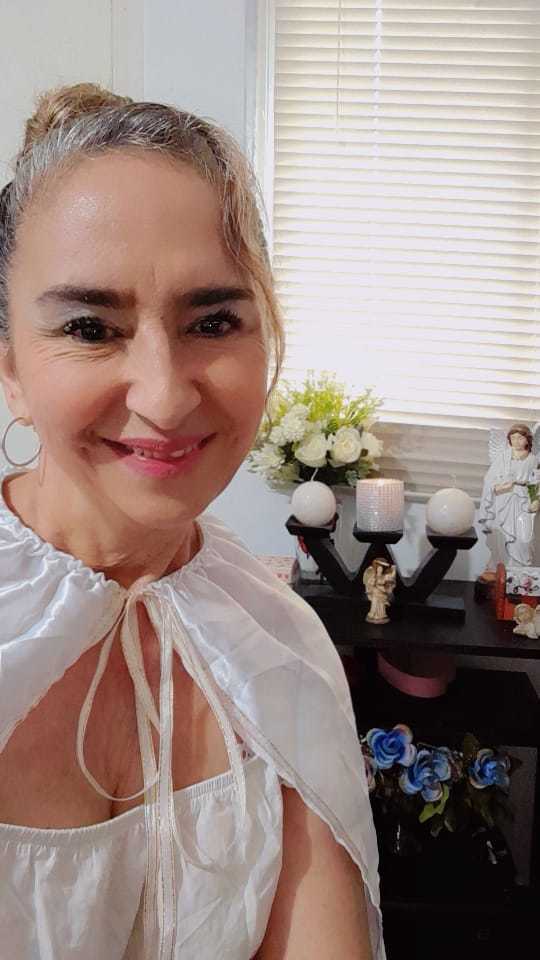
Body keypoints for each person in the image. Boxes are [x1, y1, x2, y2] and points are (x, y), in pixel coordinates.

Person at [0, 84, 383, 959]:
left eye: (213, 320)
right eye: (91, 327)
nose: (166, 396)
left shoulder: (276, 645)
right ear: (11, 370)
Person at [478, 423, 539, 578]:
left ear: (527, 440)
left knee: (525, 539)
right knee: (502, 537)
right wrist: (500, 487)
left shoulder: (533, 460)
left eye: (520, 438)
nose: (516, 441)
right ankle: (501, 572)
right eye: (513, 438)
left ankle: (521, 574)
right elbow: (490, 480)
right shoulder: (503, 458)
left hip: (524, 502)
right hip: (503, 502)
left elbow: (535, 483)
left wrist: (535, 500)